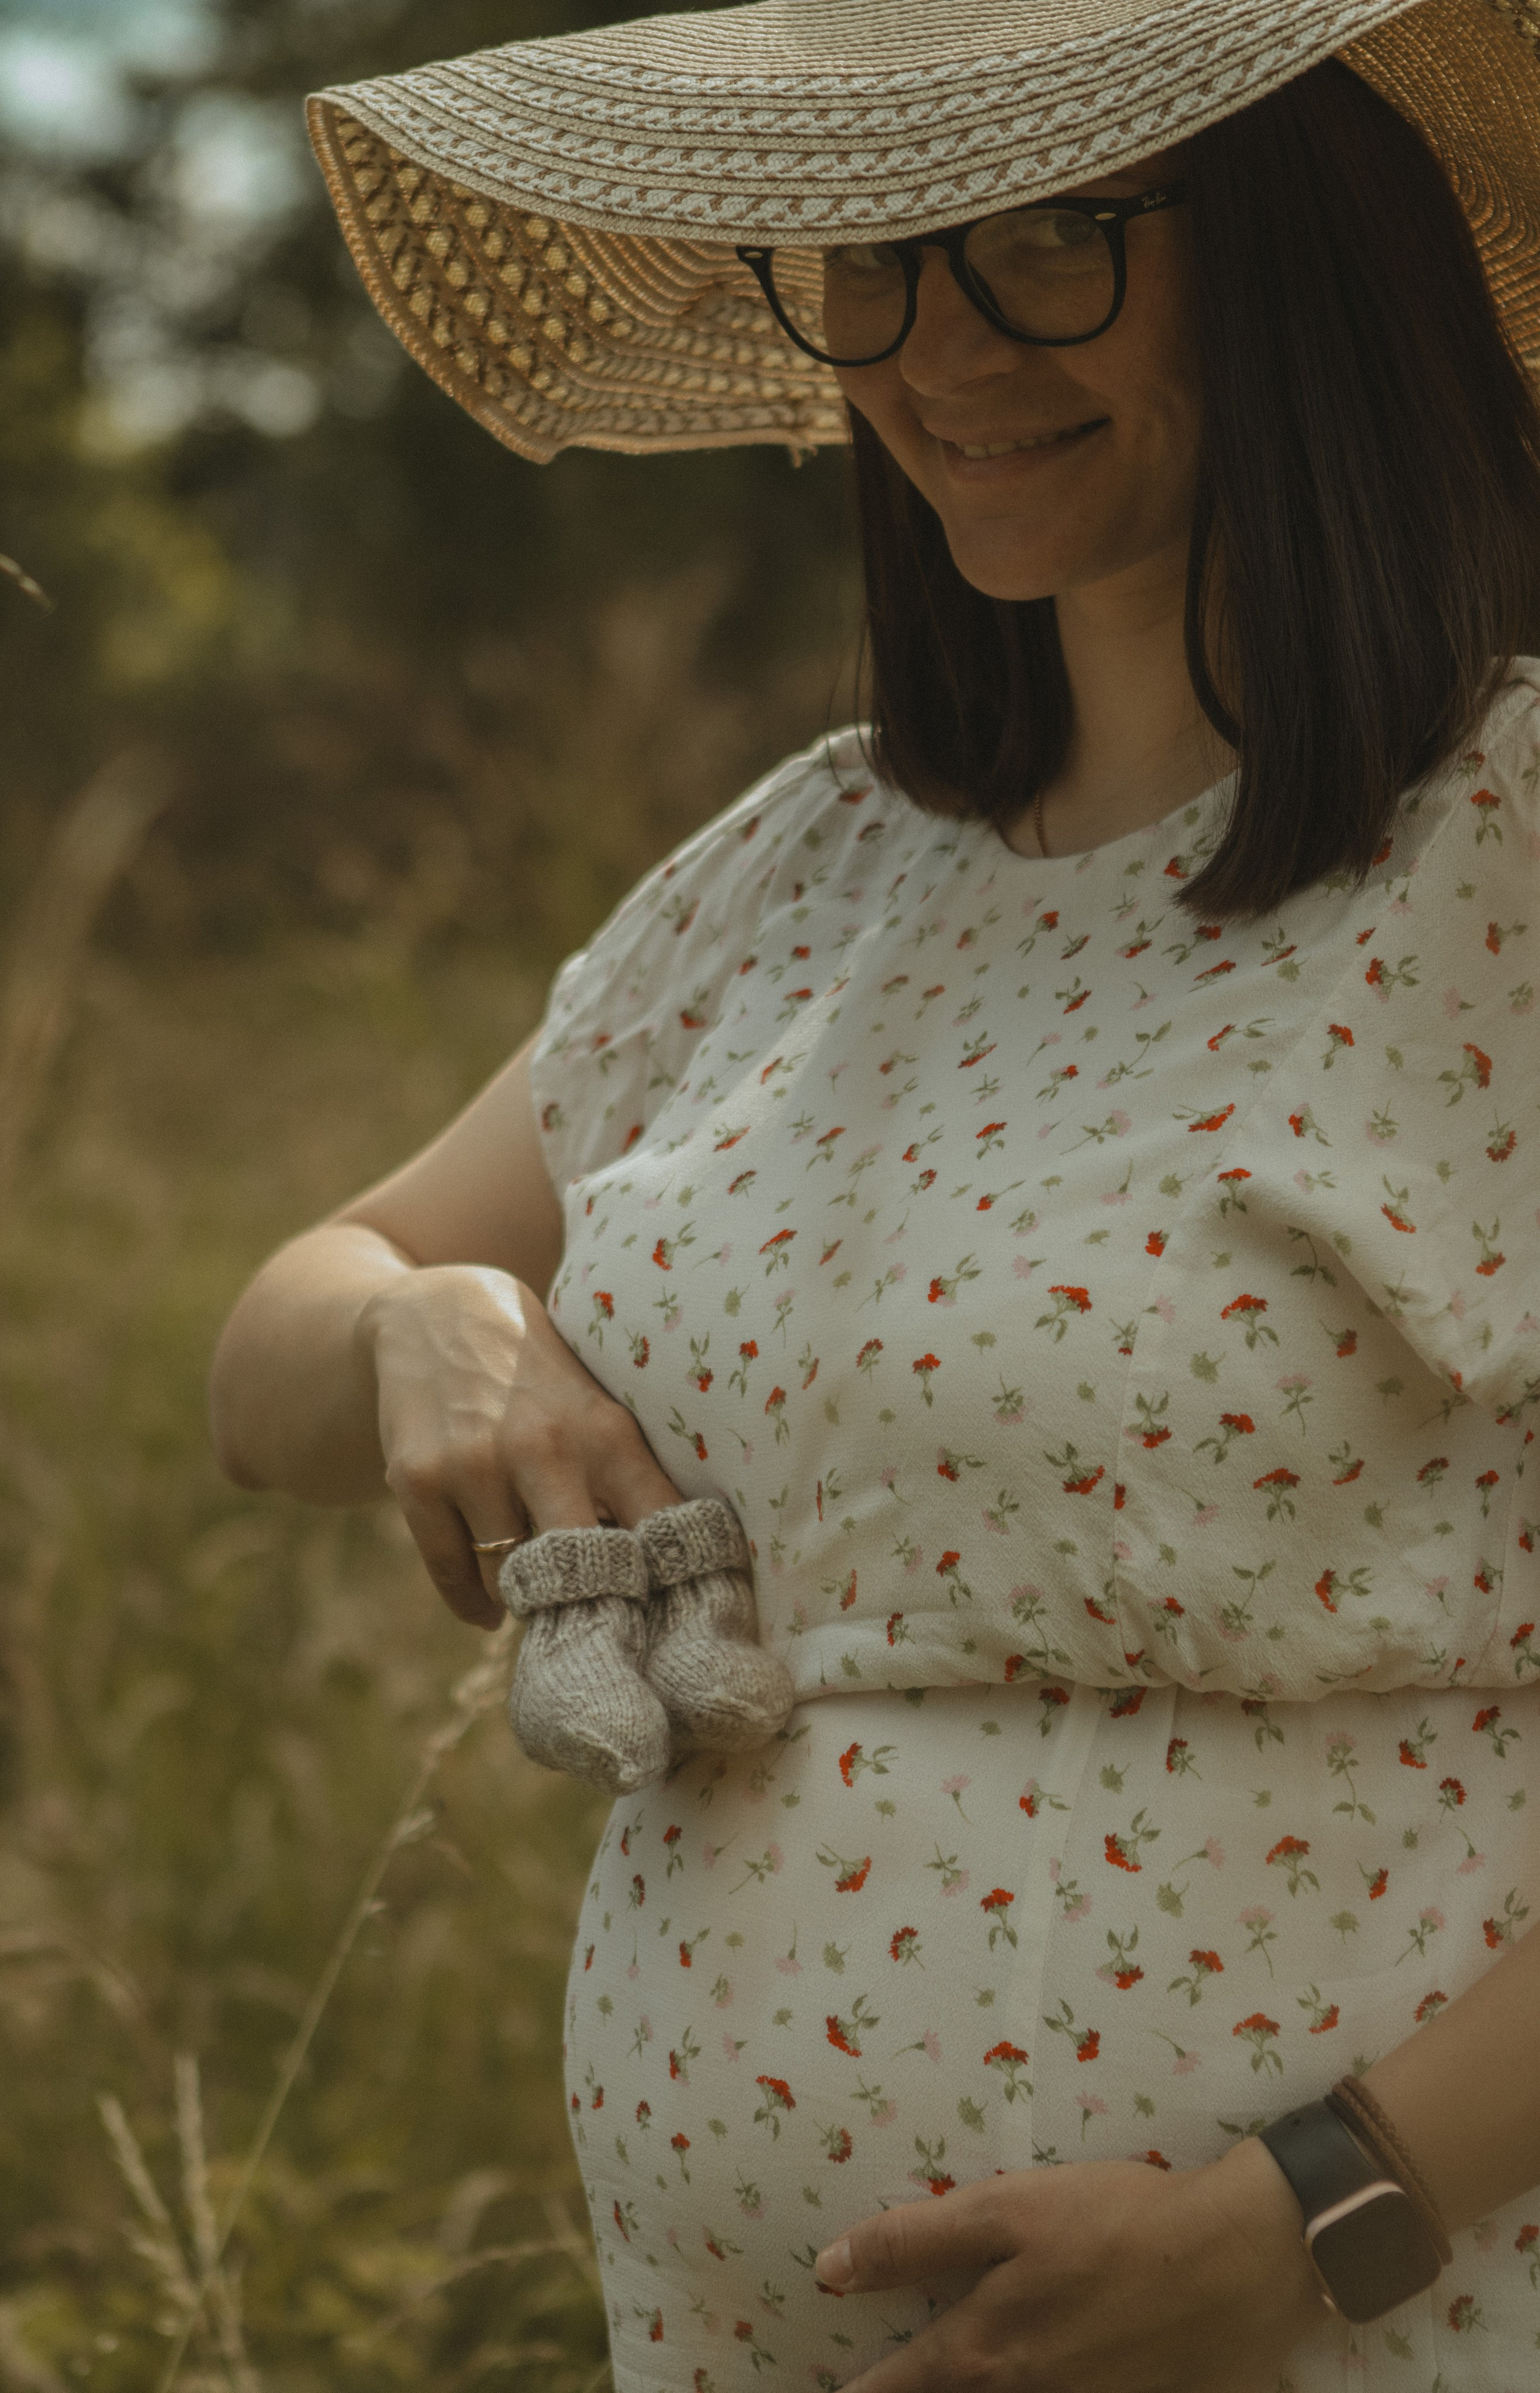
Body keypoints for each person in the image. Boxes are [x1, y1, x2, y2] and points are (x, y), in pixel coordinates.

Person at [211, 2, 1540, 2385]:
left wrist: (1322, 2213)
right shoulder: (813, 868)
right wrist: (436, 1329)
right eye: (876, 251)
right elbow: (279, 1343)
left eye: (1051, 235)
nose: (938, 349)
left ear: (1299, 248)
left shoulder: (1506, 856)